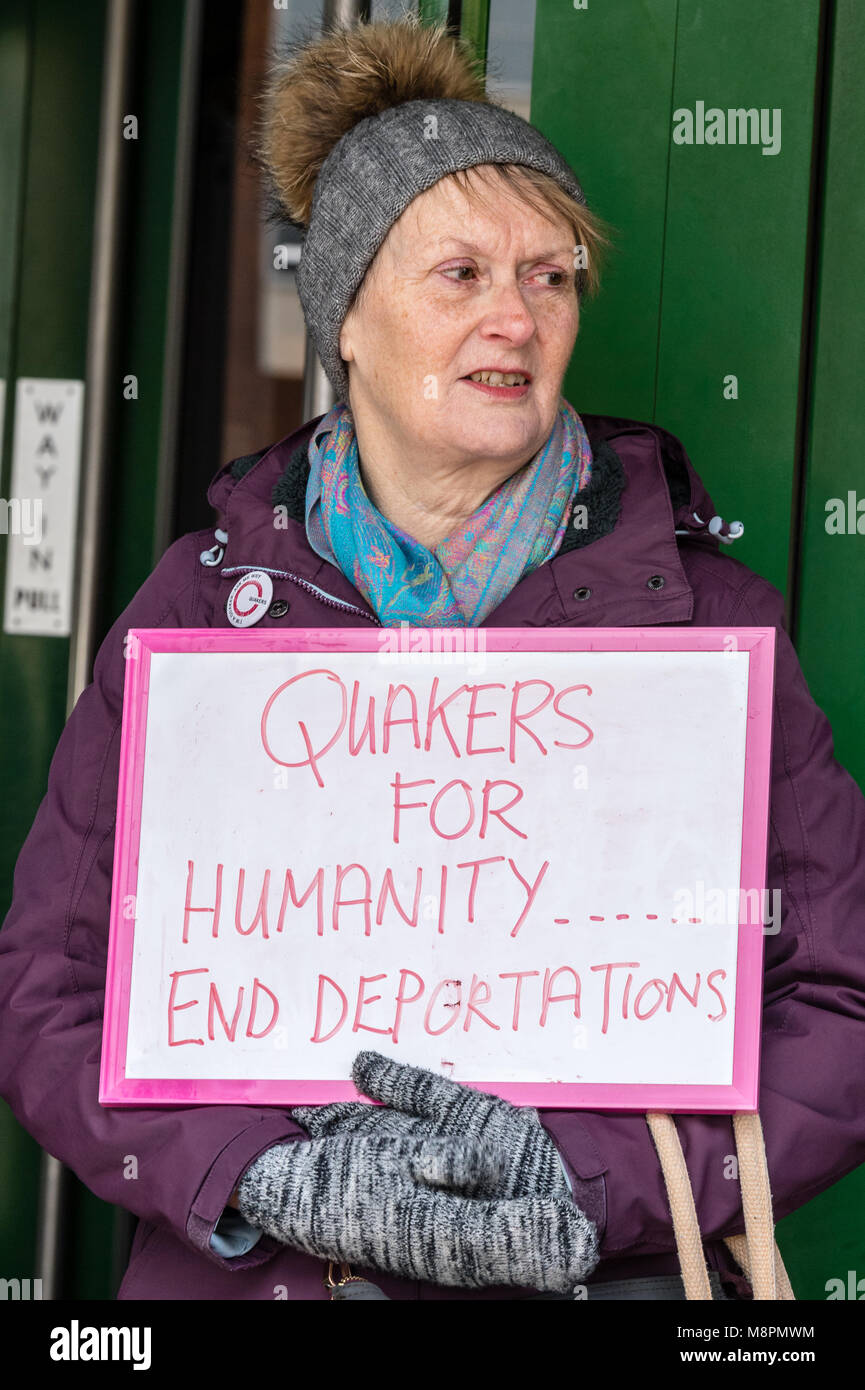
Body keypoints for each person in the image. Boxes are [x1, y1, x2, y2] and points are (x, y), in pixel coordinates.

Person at [2, 15, 865, 1302]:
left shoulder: (702, 628)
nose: (515, 316)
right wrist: (250, 1172)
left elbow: (837, 1006)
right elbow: (54, 995)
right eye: (459, 273)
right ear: (346, 317)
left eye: (551, 274)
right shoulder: (197, 615)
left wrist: (583, 1183)